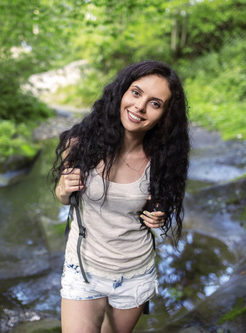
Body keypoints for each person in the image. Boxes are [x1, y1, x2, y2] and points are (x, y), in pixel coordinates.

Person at [51, 60, 190, 333]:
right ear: (122, 93)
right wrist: (62, 190)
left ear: (164, 115)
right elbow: (64, 197)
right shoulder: (80, 143)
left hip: (135, 274)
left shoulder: (162, 159)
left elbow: (157, 205)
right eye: (136, 93)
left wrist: (157, 216)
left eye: (155, 103)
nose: (139, 107)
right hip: (84, 268)